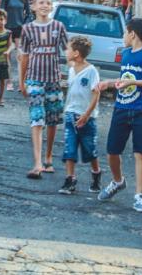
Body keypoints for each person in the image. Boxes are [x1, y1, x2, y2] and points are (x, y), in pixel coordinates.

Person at [97, 18, 142, 213]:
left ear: (132, 33)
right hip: (122, 107)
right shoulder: (126, 54)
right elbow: (125, 79)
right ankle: (118, 181)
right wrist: (109, 83)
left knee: (140, 152)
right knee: (112, 151)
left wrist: (134, 84)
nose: (123, 37)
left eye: (125, 33)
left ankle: (139, 196)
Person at [19, 0, 68, 179]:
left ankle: (48, 157)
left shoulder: (59, 27)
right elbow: (24, 56)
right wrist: (22, 81)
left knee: (52, 119)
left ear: (51, 7)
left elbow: (68, 51)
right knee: (37, 119)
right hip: (34, 79)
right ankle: (37, 162)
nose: (45, 5)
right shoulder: (27, 29)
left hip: (54, 80)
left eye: (48, 3)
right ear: (33, 6)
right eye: (41, 2)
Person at [58, 36, 103, 195]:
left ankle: (96, 174)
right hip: (71, 115)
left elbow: (95, 94)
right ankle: (70, 178)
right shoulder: (71, 70)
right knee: (69, 148)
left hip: (87, 118)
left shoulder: (91, 72)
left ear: (76, 53)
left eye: (69, 49)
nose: (66, 51)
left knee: (89, 150)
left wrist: (86, 115)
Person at [2, 0, 29, 92]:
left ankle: (21, 83)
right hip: (7, 28)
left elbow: (28, 13)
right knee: (7, 56)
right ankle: (9, 82)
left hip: (19, 29)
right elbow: (1, 11)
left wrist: (24, 24)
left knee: (20, 57)